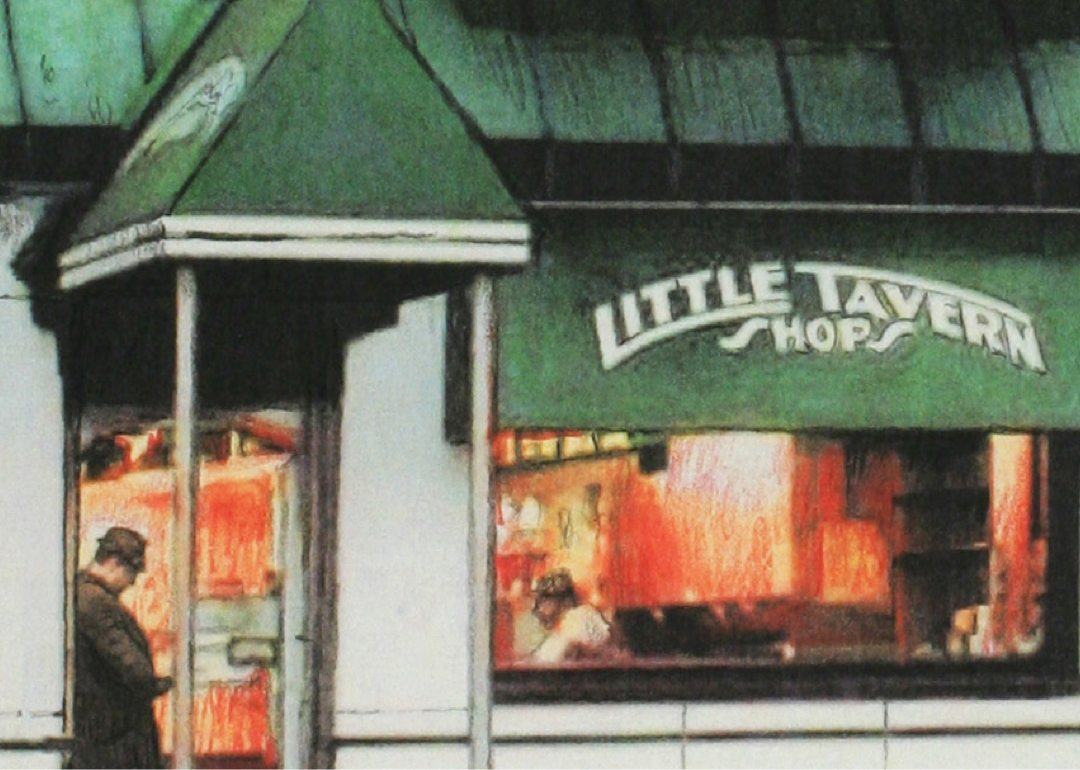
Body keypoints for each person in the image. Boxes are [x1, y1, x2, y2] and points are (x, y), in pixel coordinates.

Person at [69, 527, 173, 769]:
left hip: (101, 740)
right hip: (115, 743)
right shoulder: (94, 601)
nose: (133, 581)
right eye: (132, 571)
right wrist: (158, 682)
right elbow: (128, 662)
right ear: (114, 563)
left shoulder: (82, 594)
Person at [528, 569, 613, 664]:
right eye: (540, 600)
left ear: (564, 599)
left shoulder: (581, 615)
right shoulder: (554, 639)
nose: (540, 607)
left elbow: (605, 645)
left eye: (545, 599)